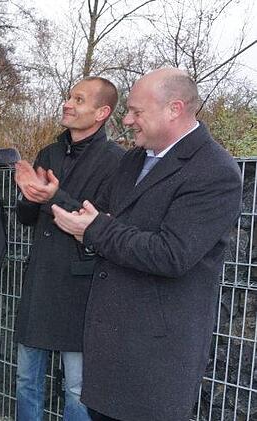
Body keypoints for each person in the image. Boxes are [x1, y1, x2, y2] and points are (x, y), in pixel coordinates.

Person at [51, 68, 242, 421]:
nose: (126, 120)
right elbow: (100, 216)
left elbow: (172, 254)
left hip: (155, 361)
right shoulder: (134, 159)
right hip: (110, 351)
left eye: (137, 112)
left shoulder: (214, 171)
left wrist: (96, 229)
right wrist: (56, 199)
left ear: (175, 108)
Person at [13, 77, 124, 421]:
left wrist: (53, 197)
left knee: (78, 388)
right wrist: (28, 197)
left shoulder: (117, 161)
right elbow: (27, 218)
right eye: (69, 96)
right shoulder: (49, 152)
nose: (68, 103)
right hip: (41, 282)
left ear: (101, 112)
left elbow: (103, 224)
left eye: (79, 99)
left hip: (82, 288)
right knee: (25, 379)